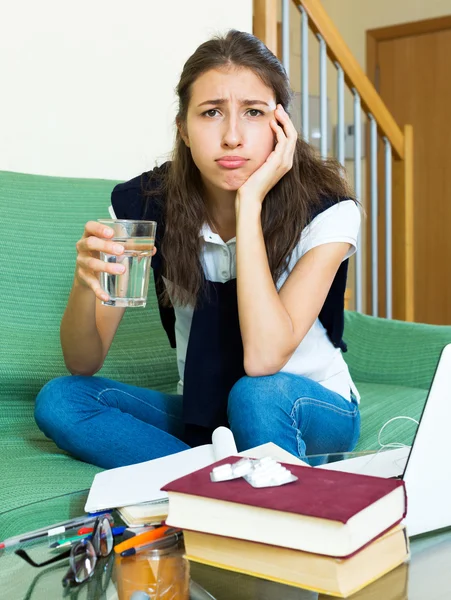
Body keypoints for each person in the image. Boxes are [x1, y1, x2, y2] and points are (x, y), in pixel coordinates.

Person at [35, 30, 361, 470]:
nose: (232, 136)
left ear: (281, 127)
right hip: (203, 413)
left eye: (253, 112)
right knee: (62, 399)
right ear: (184, 130)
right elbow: (83, 361)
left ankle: (217, 485)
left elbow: (264, 360)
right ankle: (216, 479)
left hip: (306, 403)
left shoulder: (328, 211)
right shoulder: (145, 206)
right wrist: (83, 282)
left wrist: (250, 206)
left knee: (255, 395)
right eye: (211, 113)